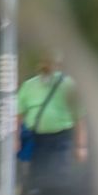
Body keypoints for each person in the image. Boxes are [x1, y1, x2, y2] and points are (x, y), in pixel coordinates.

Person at [17, 54, 86, 187]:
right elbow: (18, 116)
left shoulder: (68, 85)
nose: (47, 66)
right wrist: (15, 139)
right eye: (44, 63)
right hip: (37, 139)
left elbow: (79, 118)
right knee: (36, 178)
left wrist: (81, 146)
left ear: (58, 65)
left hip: (61, 139)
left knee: (59, 177)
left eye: (51, 63)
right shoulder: (29, 86)